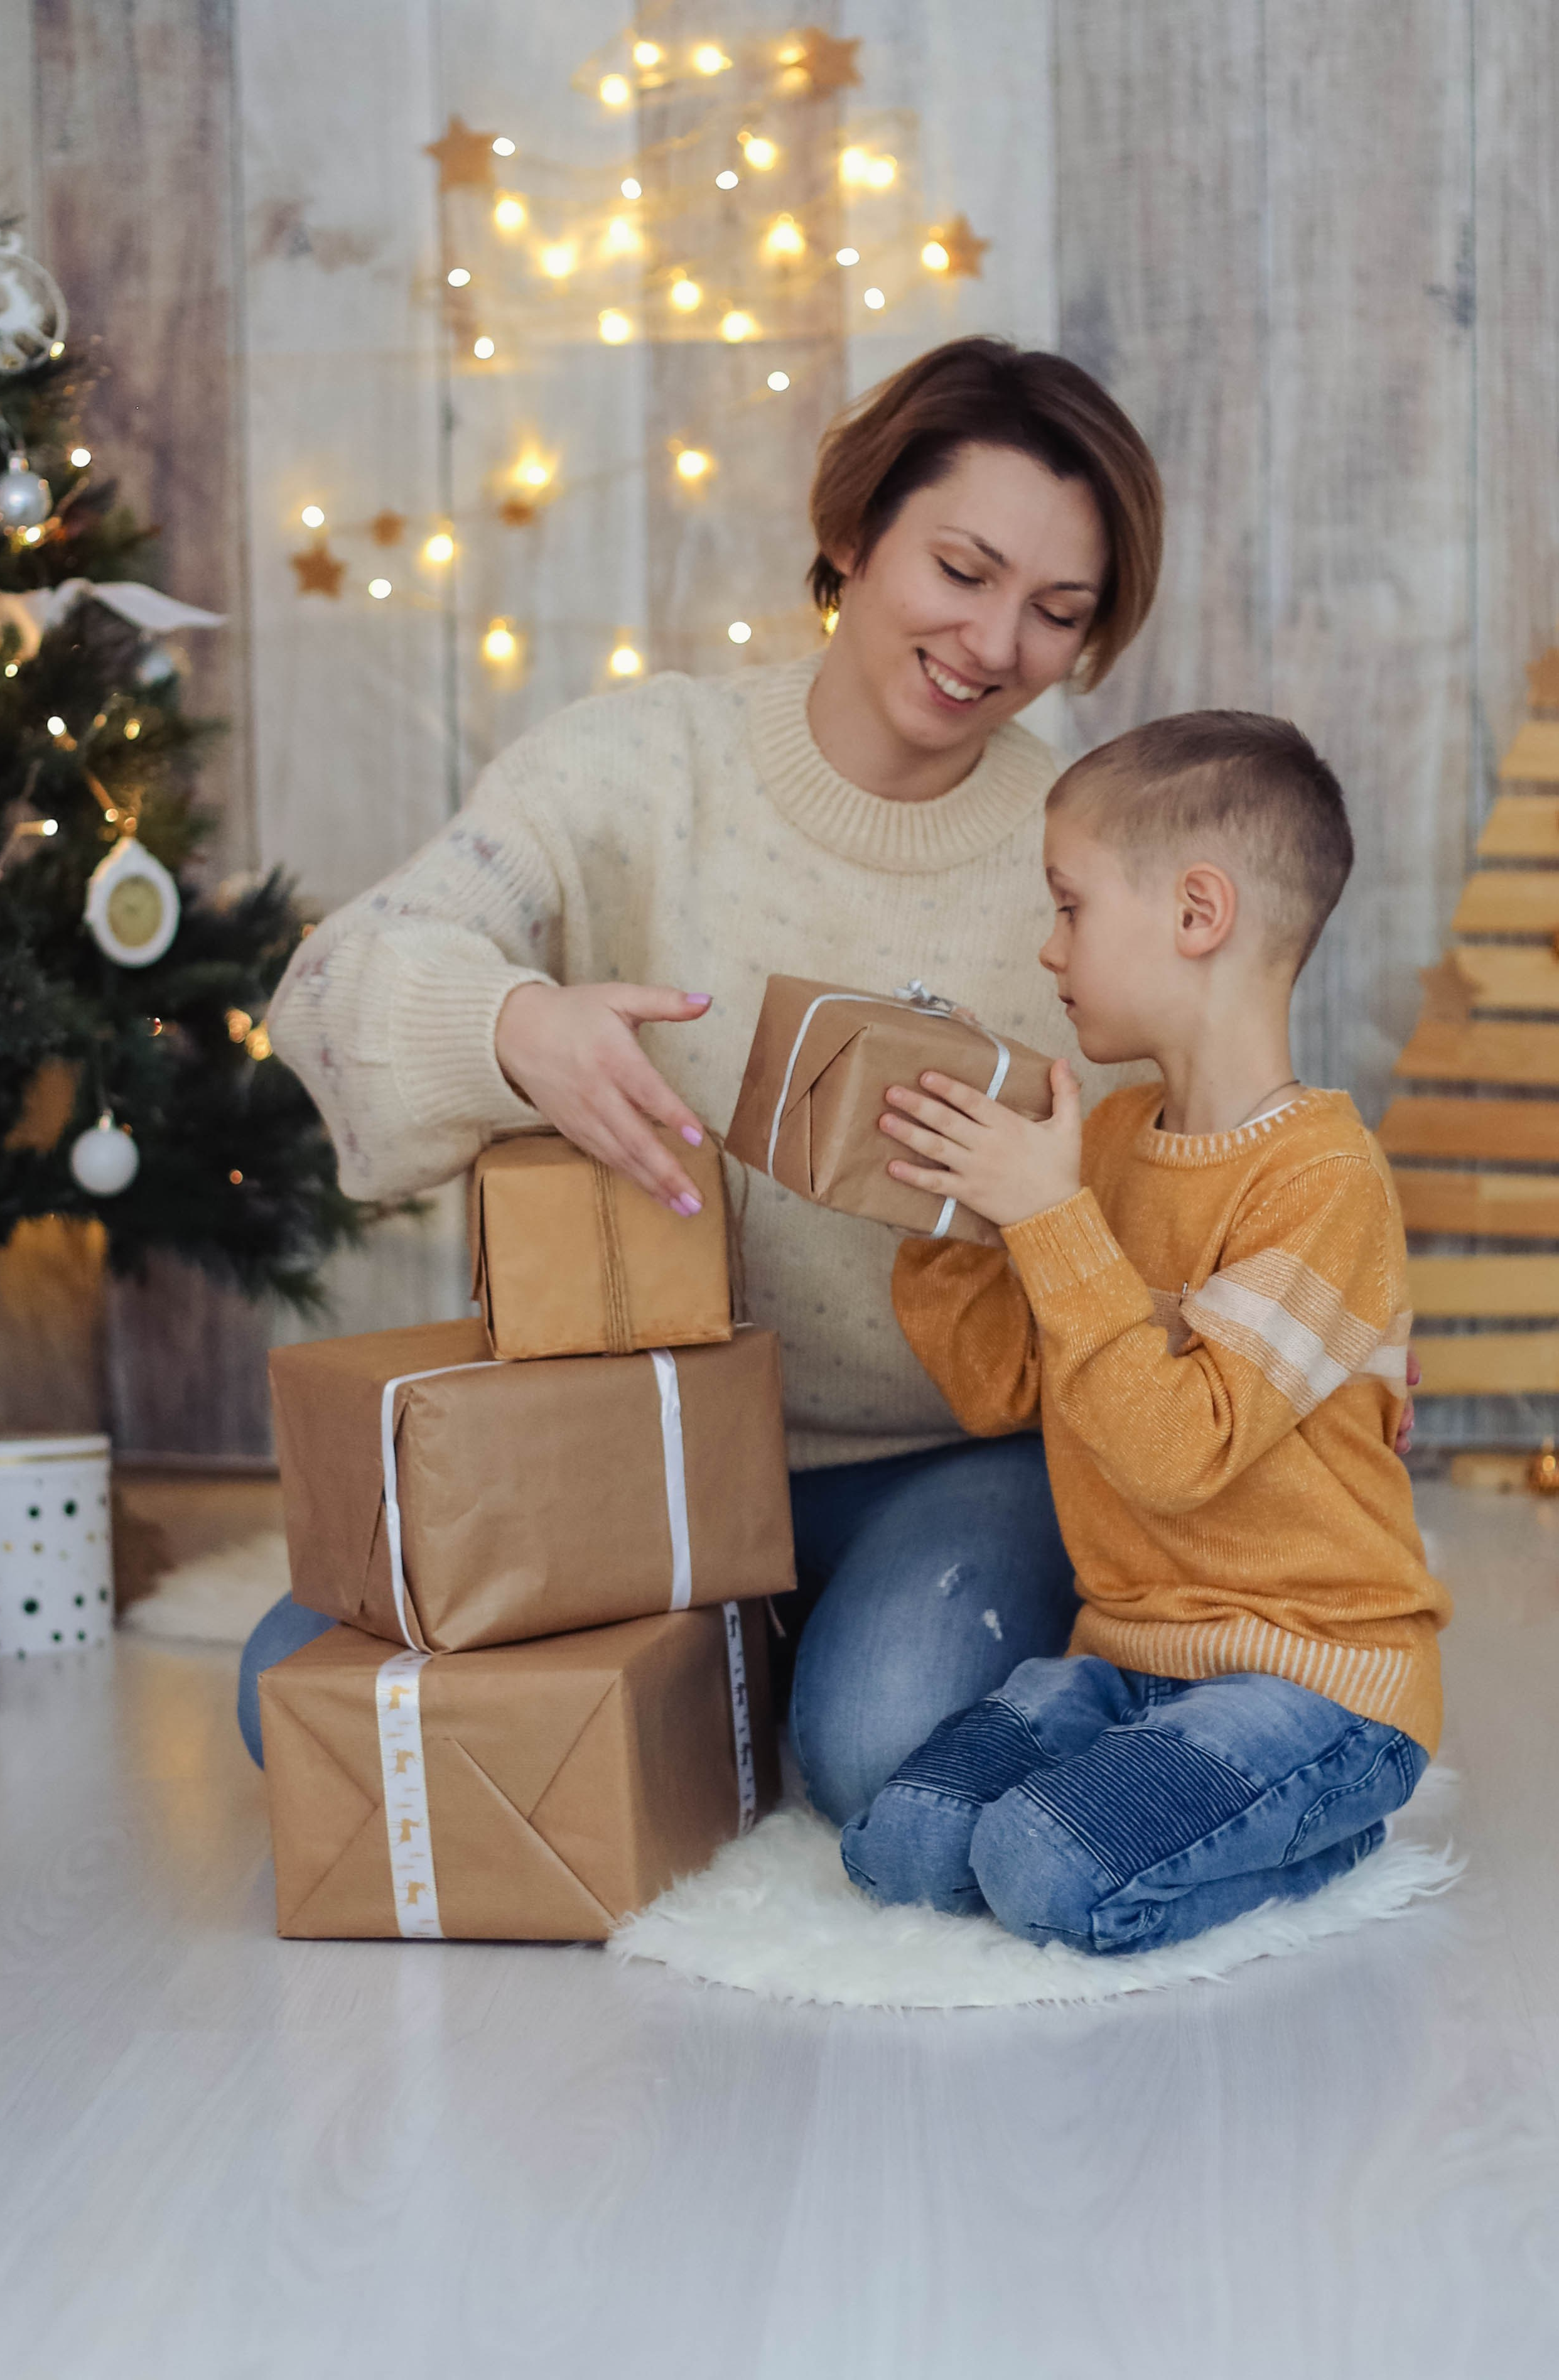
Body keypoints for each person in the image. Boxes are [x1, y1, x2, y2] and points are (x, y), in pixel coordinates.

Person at [239, 338, 1166, 1806]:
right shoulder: (636, 766)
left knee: (878, 1749)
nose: (996, 645)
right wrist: (513, 1028)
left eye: (1058, 612)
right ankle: (727, 1654)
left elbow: (1212, 1145)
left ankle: (773, 1669)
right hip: (643, 1442)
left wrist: (1331, 1322)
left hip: (951, 1454)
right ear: (854, 533)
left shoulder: (1089, 850)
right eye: (962, 570)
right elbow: (335, 979)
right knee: (294, 1691)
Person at [843, 711, 1450, 1952]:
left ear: (1197, 914)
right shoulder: (1108, 1139)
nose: (1047, 943)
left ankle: (1331, 1818)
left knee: (1037, 1863)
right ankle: (1173, 1788)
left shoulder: (1324, 1179)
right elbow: (1001, 1381)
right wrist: (947, 1208)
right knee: (899, 1838)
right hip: (1123, 1653)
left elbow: (1181, 1449)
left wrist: (1051, 1217)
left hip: (1312, 1671)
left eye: (1068, 906)